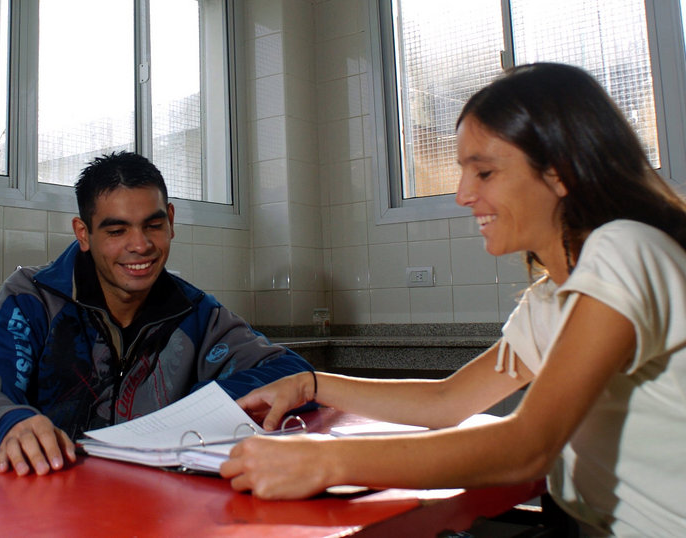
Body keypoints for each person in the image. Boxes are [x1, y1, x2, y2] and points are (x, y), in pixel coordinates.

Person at [220, 63, 686, 536]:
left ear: (560, 173)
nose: (463, 194)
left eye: (484, 172)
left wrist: (327, 461)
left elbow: (529, 445)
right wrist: (310, 384)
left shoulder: (626, 249)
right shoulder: (549, 301)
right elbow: (446, 401)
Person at [0, 151, 314, 477]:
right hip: (48, 504)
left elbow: (293, 373)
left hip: (158, 506)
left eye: (153, 225)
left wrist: (204, 405)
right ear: (84, 234)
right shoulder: (31, 298)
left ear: (171, 221)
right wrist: (11, 422)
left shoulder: (197, 313)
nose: (140, 245)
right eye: (117, 231)